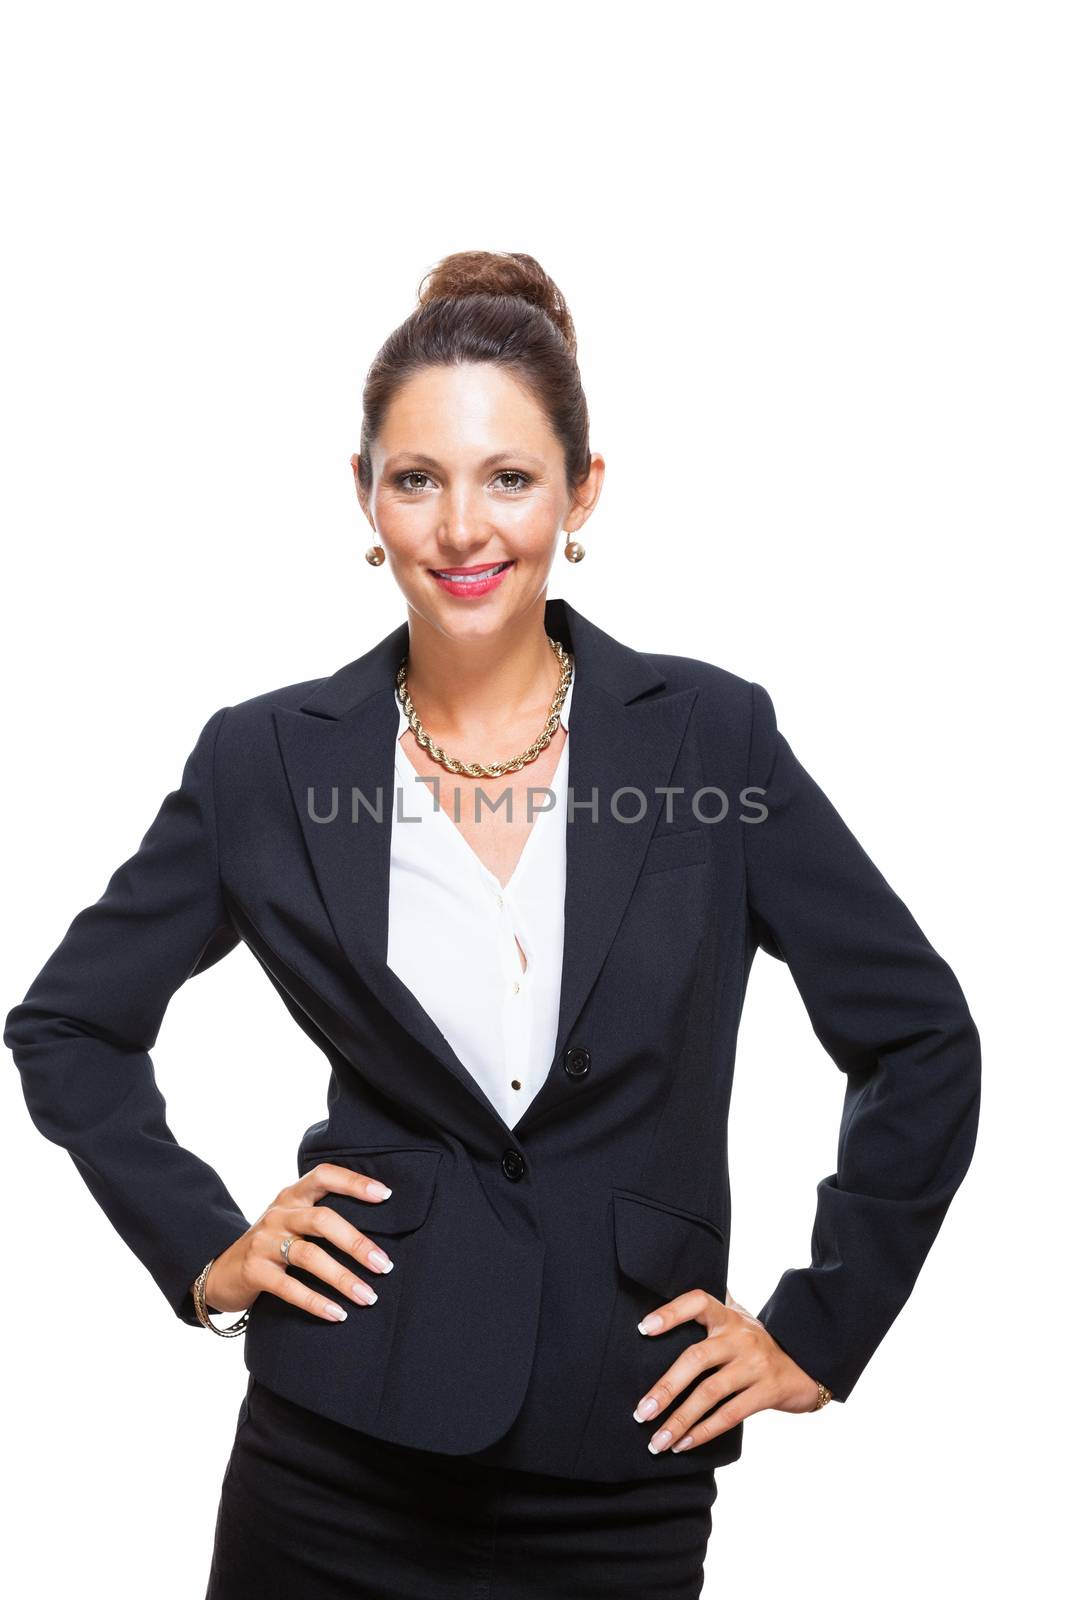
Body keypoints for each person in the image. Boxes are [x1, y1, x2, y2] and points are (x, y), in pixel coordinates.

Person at [5, 250, 982, 1599]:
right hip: (333, 1450)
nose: (463, 528)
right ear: (368, 499)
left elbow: (920, 1037)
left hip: (620, 1456)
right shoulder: (265, 763)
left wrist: (823, 1326)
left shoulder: (710, 740)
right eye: (419, 479)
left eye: (509, 477)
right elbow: (68, 1022)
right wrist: (205, 1249)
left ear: (582, 494)